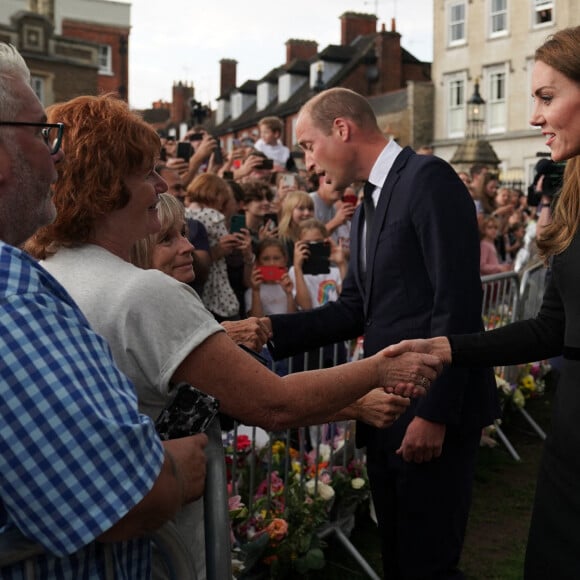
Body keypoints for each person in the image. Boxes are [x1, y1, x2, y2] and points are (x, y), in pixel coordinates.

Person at [23, 93, 443, 576]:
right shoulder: (144, 292)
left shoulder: (44, 269)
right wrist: (383, 367)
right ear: (103, 186)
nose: (162, 184)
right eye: (145, 173)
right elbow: (274, 403)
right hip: (158, 551)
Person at [262, 87, 499, 579]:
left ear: (343, 129)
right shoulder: (370, 200)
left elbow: (455, 305)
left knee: (427, 564)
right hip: (386, 412)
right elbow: (354, 310)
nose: (307, 164)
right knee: (397, 557)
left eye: (307, 145)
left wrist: (433, 414)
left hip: (432, 415)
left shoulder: (428, 179)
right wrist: (265, 329)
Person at [0, 43, 208, 579]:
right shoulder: (13, 303)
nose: (58, 156)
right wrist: (175, 474)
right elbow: (129, 498)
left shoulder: (35, 274)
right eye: (43, 134)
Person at [388, 26, 580, 580]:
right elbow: (550, 327)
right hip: (571, 438)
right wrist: (448, 348)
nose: (535, 118)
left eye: (547, 98)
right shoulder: (572, 194)